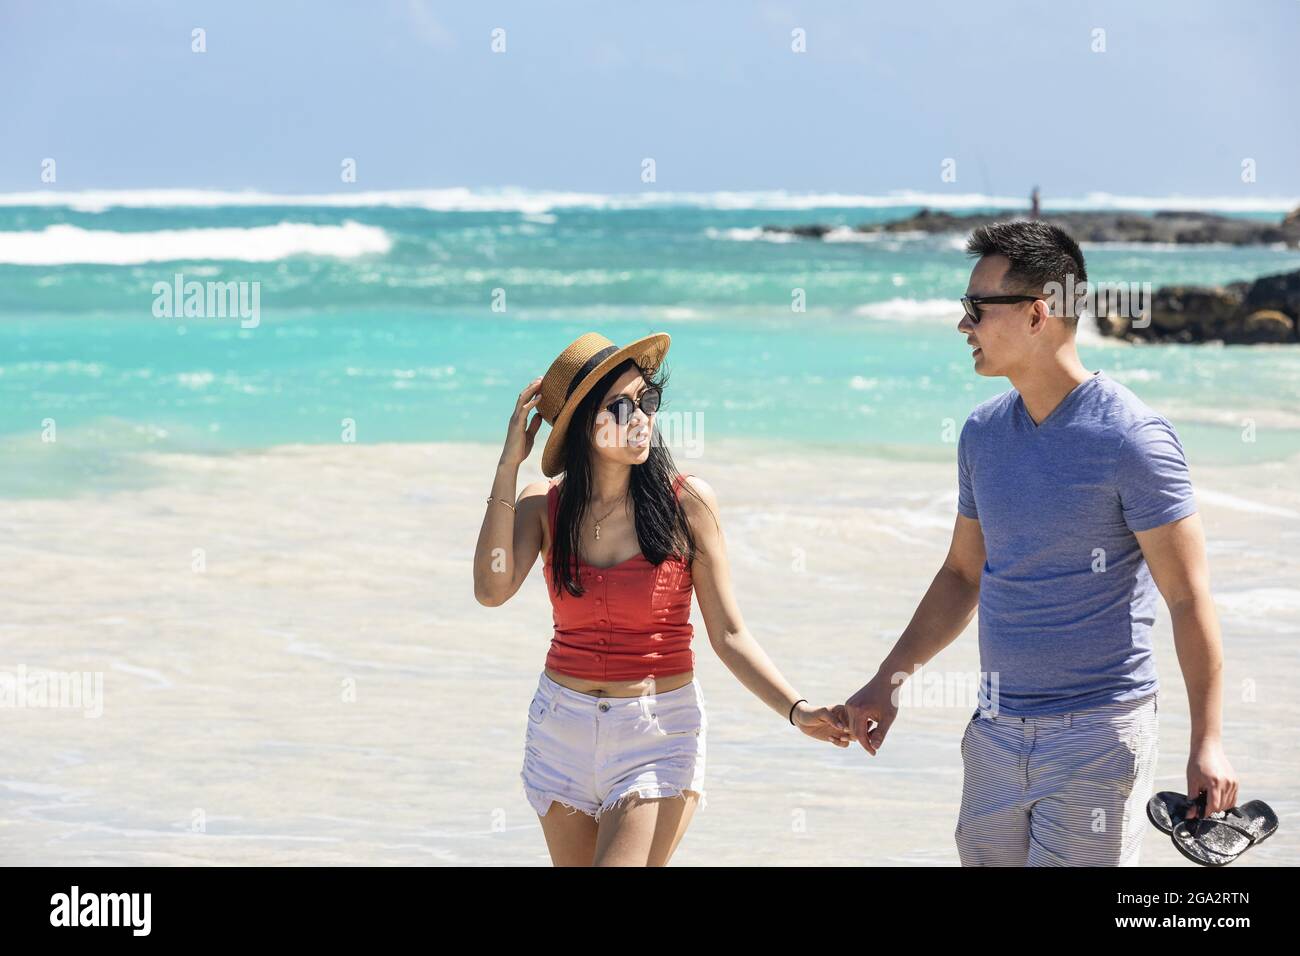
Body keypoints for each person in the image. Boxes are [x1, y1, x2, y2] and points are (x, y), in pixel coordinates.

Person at [842, 220, 1238, 866]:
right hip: (995, 735)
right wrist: (889, 680)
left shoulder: (1134, 440)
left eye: (976, 308)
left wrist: (1209, 740)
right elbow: (962, 576)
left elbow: (1189, 599)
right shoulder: (981, 435)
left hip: (1099, 738)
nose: (962, 324)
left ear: (1038, 315)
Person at [474, 331, 850, 866]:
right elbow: (490, 590)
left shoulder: (686, 504)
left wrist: (798, 710)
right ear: (584, 425)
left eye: (647, 400)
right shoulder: (544, 508)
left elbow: (729, 634)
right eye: (620, 406)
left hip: (655, 734)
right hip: (560, 731)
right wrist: (507, 468)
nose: (641, 417)